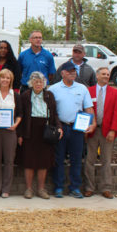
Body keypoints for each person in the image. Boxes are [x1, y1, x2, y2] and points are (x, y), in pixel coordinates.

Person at [48, 62, 96, 198]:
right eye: (69, 71)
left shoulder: (82, 89)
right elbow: (50, 110)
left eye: (74, 71)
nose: (72, 73)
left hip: (77, 128)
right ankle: (58, 187)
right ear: (62, 73)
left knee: (76, 159)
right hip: (61, 128)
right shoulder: (54, 89)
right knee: (59, 159)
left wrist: (92, 123)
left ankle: (75, 187)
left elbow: (88, 108)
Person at [17, 72, 61, 199]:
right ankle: (29, 189)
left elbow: (55, 114)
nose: (38, 84)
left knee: (44, 161)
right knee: (29, 160)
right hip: (29, 130)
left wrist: (59, 127)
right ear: (31, 83)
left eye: (40, 81)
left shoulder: (49, 95)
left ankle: (41, 189)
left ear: (44, 83)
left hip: (45, 130)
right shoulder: (25, 96)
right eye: (35, 81)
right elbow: (21, 115)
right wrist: (20, 135)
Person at [83, 67, 117, 198]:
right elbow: (84, 109)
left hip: (107, 132)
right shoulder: (89, 91)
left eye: (108, 74)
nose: (106, 76)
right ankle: (89, 187)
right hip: (92, 130)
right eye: (103, 74)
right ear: (97, 76)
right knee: (89, 160)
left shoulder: (115, 93)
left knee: (106, 160)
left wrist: (113, 130)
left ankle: (106, 188)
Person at [0, 69, 22, 197]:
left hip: (10, 131)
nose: (5, 80)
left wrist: (16, 124)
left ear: (11, 80)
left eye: (8, 78)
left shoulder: (15, 95)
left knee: (9, 160)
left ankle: (6, 189)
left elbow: (20, 113)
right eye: (2, 77)